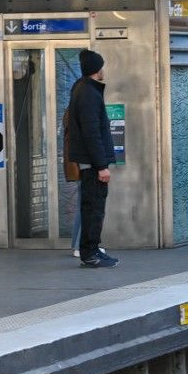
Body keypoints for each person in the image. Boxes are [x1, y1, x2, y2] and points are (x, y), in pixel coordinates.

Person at [66, 49, 118, 268]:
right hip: (92, 164)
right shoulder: (88, 93)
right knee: (94, 209)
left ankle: (92, 249)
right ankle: (90, 253)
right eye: (102, 66)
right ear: (97, 69)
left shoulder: (83, 89)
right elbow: (92, 132)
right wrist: (101, 166)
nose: (104, 70)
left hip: (90, 162)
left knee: (92, 208)